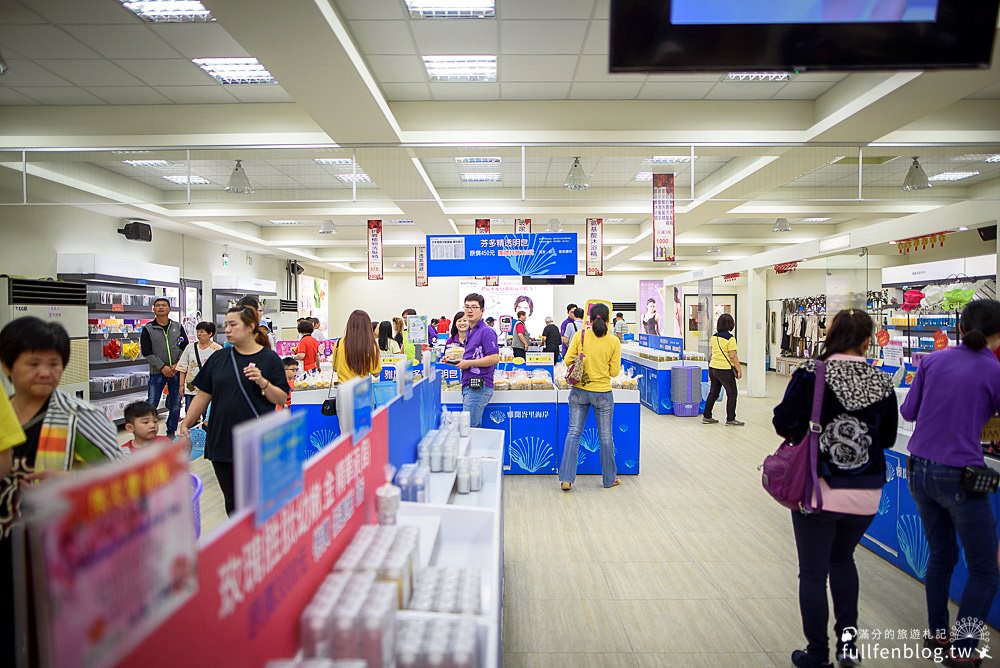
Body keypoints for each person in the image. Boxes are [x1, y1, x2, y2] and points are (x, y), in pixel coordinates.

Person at [772, 309, 897, 668]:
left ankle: (817, 654)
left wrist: (808, 433)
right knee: (843, 560)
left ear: (830, 334)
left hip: (818, 488)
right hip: (866, 493)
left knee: (813, 573)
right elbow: (886, 437)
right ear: (866, 339)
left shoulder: (812, 373)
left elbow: (783, 421)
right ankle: (848, 647)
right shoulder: (881, 380)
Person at [1, 317, 124, 665]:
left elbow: (121, 477)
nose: (45, 372)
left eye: (54, 364)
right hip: (7, 545)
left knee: (49, 640)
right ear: (8, 365)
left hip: (55, 553)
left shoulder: (79, 416)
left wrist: (71, 485)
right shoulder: (2, 413)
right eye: (33, 363)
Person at [901, 300, 1000, 665]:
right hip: (961, 475)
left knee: (941, 555)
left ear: (959, 327)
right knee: (985, 569)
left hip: (919, 471)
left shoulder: (931, 361)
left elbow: (908, 411)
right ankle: (963, 650)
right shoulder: (994, 370)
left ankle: (938, 634)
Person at [179, 305, 289, 515]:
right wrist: (186, 423)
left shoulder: (269, 359)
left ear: (250, 327)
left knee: (257, 501)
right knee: (232, 503)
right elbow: (204, 394)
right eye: (225, 325)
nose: (227, 330)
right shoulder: (219, 358)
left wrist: (263, 382)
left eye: (233, 325)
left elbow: (281, 398)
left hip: (256, 439)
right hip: (222, 440)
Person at [557, 303, 621, 491]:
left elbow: (568, 360)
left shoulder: (580, 336)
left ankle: (567, 479)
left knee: (573, 433)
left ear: (589, 320)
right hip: (603, 393)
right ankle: (609, 479)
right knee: (606, 437)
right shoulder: (614, 341)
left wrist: (582, 361)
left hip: (579, 392)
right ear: (608, 321)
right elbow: (615, 372)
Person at [140, 296, 188, 438]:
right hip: (157, 372)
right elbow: (146, 352)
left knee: (176, 404)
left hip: (176, 372)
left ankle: (171, 432)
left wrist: (176, 365)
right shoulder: (148, 329)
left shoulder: (177, 327)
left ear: (169, 309)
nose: (161, 307)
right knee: (152, 403)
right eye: (158, 305)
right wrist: (162, 367)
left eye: (164, 305)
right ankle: (146, 433)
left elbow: (185, 348)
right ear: (153, 309)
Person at [457, 293, 500, 428]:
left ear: (482, 310)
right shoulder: (470, 331)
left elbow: (494, 358)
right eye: (467, 307)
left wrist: (468, 363)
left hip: (478, 387)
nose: (469, 310)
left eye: (474, 307)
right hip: (469, 384)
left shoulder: (486, 331)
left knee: (469, 428)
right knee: (473, 427)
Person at [703, 313, 744, 426]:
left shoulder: (714, 337)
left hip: (713, 368)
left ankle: (707, 416)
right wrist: (739, 369)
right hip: (724, 369)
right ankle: (731, 419)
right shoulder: (730, 339)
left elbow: (712, 353)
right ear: (731, 324)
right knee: (732, 394)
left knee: (713, 392)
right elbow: (733, 356)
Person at [177, 320, 222, 413]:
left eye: (202, 331)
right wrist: (181, 385)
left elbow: (220, 370)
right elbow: (182, 367)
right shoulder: (190, 347)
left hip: (209, 388)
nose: (199, 334)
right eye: (197, 331)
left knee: (207, 417)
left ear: (210, 333)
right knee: (190, 413)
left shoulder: (217, 349)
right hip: (191, 388)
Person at [335, 309, 383, 382]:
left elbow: (335, 368)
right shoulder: (370, 345)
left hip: (342, 389)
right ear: (367, 326)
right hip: (361, 390)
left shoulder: (338, 343)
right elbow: (376, 373)